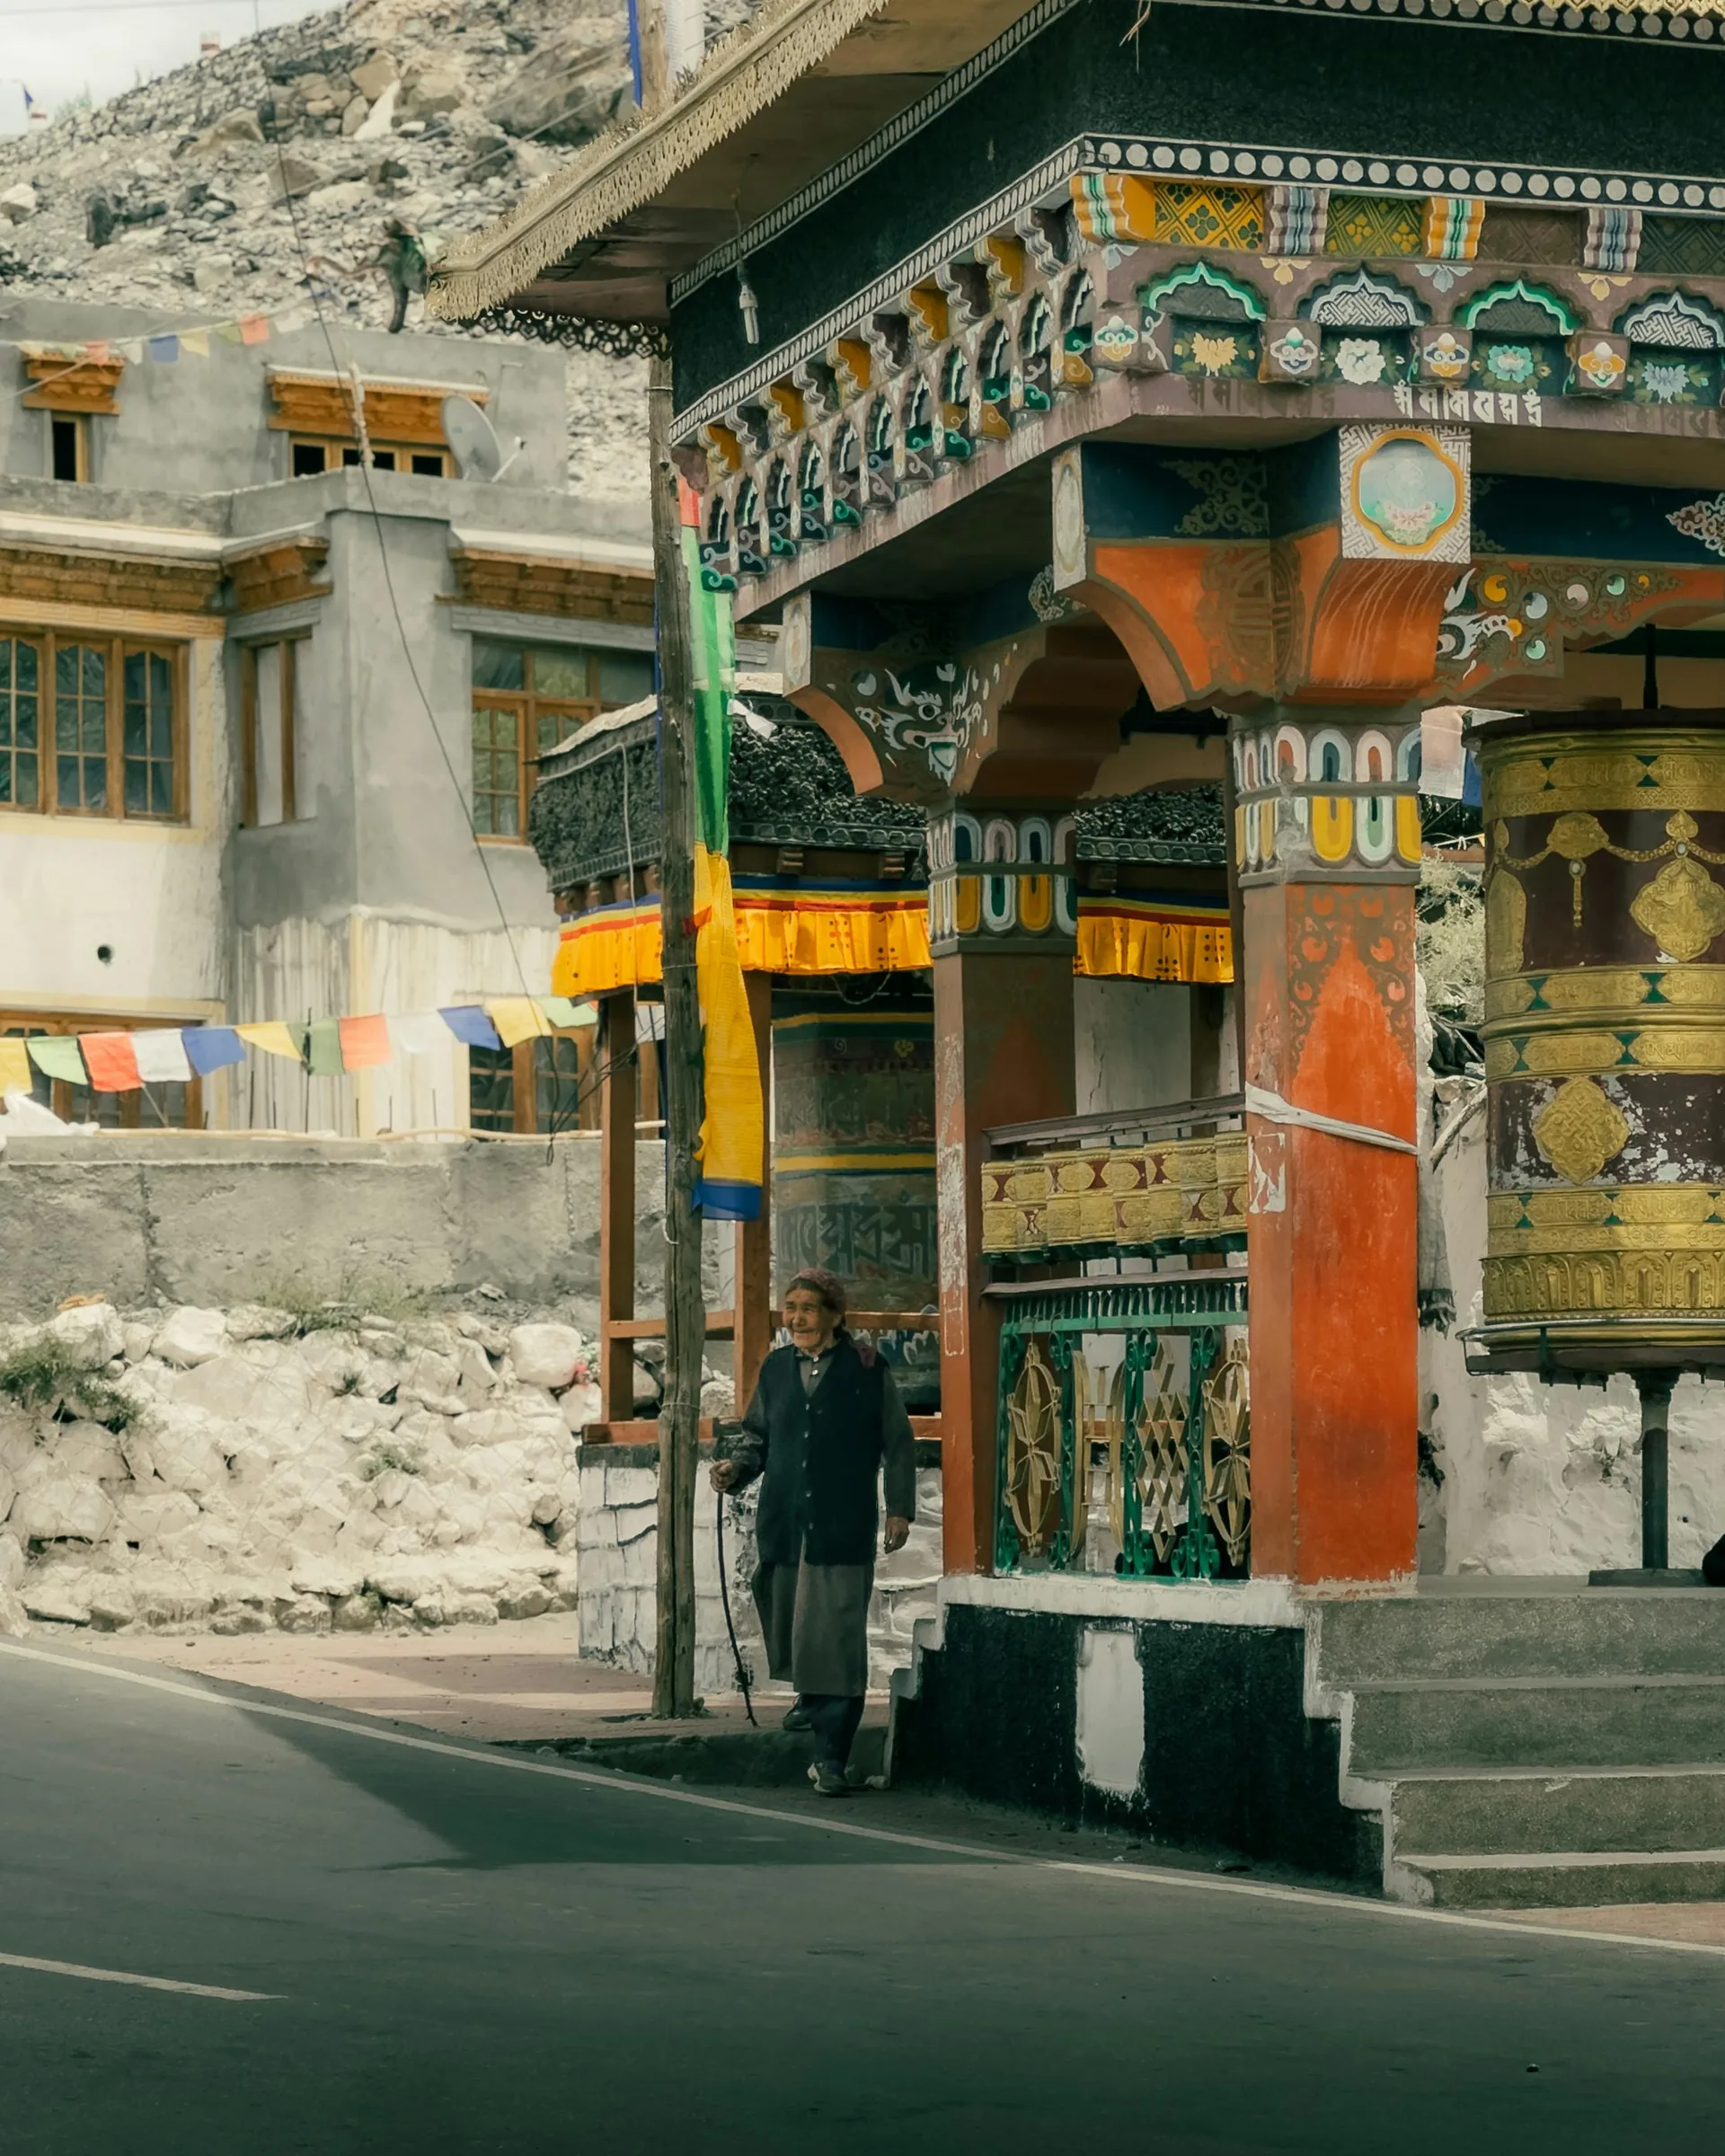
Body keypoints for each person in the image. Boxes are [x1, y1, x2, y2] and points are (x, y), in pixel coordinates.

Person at [711, 1268, 915, 1796]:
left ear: (834, 1315)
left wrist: (899, 1508)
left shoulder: (866, 1367)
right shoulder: (777, 1368)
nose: (797, 1318)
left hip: (840, 1524)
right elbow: (757, 1435)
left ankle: (831, 1757)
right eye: (791, 1307)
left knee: (836, 1643)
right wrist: (736, 1469)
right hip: (785, 1523)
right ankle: (808, 1697)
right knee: (793, 1627)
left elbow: (897, 1442)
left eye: (808, 1308)